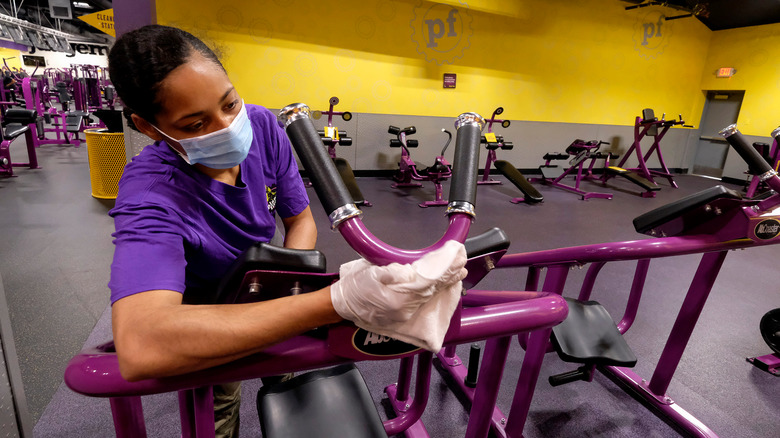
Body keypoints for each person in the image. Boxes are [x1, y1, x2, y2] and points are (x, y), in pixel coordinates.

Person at [106, 25, 466, 437]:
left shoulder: (260, 125)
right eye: (195, 124)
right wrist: (337, 301)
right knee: (218, 409)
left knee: (296, 378)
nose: (226, 126)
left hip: (266, 280)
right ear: (149, 127)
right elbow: (142, 344)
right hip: (205, 312)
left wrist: (292, 288)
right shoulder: (150, 193)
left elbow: (300, 219)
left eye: (229, 104)